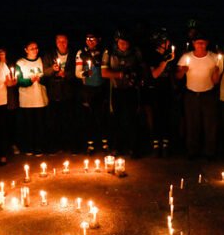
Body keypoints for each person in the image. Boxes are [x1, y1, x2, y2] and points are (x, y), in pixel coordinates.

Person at [176, 32, 221, 160]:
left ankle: (210, 152)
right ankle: (192, 151)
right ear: (193, 44)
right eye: (198, 42)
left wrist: (217, 72)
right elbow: (178, 76)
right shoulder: (186, 57)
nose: (200, 45)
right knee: (192, 124)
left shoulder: (213, 58)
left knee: (210, 125)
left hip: (208, 95)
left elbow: (216, 81)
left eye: (203, 42)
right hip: (191, 95)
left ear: (207, 43)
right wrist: (182, 71)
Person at [101, 30, 146, 158]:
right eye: (121, 43)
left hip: (131, 89)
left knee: (132, 118)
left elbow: (142, 68)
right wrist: (121, 75)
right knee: (116, 118)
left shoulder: (135, 52)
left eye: (126, 43)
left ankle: (132, 147)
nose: (124, 45)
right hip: (116, 90)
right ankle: (116, 147)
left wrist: (138, 77)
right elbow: (104, 73)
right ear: (117, 41)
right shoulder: (109, 52)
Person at [42, 33, 78, 154]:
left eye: (64, 41)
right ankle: (56, 146)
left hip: (69, 93)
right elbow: (44, 72)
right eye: (59, 42)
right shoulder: (49, 55)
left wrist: (65, 74)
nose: (62, 44)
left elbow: (78, 72)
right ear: (55, 43)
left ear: (67, 42)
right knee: (54, 122)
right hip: (54, 93)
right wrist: (53, 69)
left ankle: (70, 145)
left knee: (69, 120)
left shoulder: (74, 54)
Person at [143, 29, 177, 157]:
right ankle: (156, 146)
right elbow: (155, 74)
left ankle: (166, 145)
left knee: (167, 118)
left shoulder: (169, 55)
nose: (168, 43)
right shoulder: (153, 56)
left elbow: (171, 74)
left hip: (167, 91)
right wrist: (165, 61)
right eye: (166, 41)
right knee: (157, 118)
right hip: (156, 91)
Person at [75, 31, 107, 155]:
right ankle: (90, 145)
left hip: (101, 88)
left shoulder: (104, 51)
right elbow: (77, 72)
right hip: (88, 89)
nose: (90, 41)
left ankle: (105, 144)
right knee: (89, 117)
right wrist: (84, 74)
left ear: (98, 39)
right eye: (87, 39)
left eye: (93, 39)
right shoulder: (81, 53)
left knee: (103, 117)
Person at [16, 41, 48, 156]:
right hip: (27, 100)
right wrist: (29, 81)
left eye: (36, 48)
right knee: (29, 125)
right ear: (26, 50)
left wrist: (41, 80)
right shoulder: (20, 63)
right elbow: (18, 80)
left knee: (40, 124)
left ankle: (39, 147)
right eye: (32, 48)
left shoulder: (41, 60)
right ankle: (28, 147)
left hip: (40, 98)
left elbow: (46, 77)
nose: (35, 50)